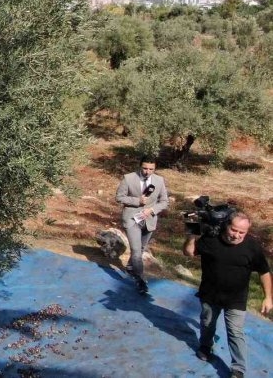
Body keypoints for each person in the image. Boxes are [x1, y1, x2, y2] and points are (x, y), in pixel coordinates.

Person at [183, 212, 272, 378]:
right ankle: (205, 347)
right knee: (207, 323)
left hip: (236, 298)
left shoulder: (252, 247)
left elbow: (264, 272)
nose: (236, 235)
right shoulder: (211, 240)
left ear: (247, 232)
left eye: (241, 232)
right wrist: (192, 234)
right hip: (210, 294)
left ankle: (238, 369)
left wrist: (268, 297)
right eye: (234, 230)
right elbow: (188, 252)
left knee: (235, 332)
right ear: (226, 226)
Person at [115, 155, 169, 294]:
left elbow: (164, 202)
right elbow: (119, 197)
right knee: (136, 251)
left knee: (142, 248)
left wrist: (152, 210)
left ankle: (130, 267)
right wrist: (137, 201)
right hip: (132, 219)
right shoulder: (129, 178)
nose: (147, 171)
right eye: (145, 168)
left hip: (149, 220)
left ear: (155, 168)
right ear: (140, 166)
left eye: (151, 169)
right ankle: (141, 281)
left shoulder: (159, 180)